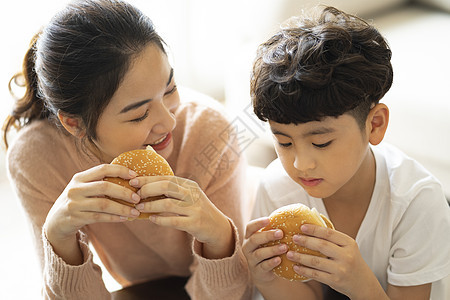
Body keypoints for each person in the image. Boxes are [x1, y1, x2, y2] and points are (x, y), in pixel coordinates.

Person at [3, 0, 252, 299]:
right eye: (139, 115)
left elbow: (238, 292)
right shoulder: (36, 157)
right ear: (74, 124)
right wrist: (58, 237)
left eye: (170, 89)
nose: (168, 120)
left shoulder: (210, 131)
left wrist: (219, 236)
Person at [242, 6, 450, 300]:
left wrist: (358, 282)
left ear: (374, 124)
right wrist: (266, 278)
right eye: (284, 143)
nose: (301, 164)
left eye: (321, 143)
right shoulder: (277, 190)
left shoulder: (415, 202)